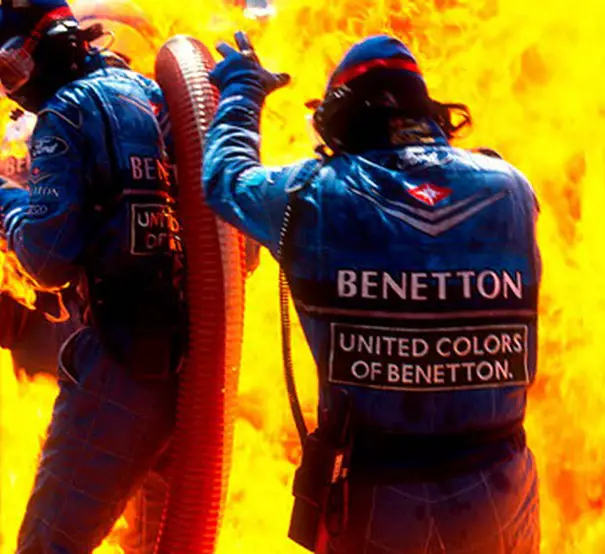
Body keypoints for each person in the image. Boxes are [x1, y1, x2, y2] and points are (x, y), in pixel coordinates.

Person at [204, 32, 542, 553]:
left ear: (341, 116)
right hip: (501, 493)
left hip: (378, 500)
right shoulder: (512, 188)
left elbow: (225, 178)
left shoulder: (313, 192)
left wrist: (242, 92)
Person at [0, 1, 185, 552]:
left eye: (11, 69)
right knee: (155, 542)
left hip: (119, 364)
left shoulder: (66, 113)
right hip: (187, 363)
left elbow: (46, 259)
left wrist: (7, 203)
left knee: (48, 543)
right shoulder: (149, 94)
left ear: (47, 47)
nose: (13, 89)